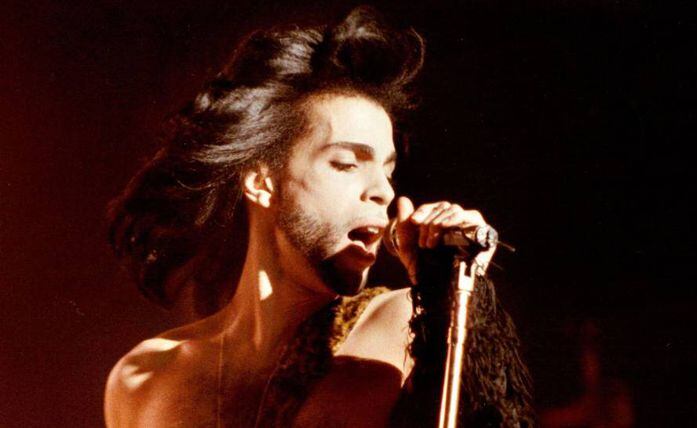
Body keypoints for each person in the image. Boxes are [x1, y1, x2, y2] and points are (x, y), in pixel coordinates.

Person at [104, 7, 534, 427]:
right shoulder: (145, 380)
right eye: (346, 164)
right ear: (262, 182)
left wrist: (446, 297)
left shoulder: (402, 324)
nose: (384, 191)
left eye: (387, 171)